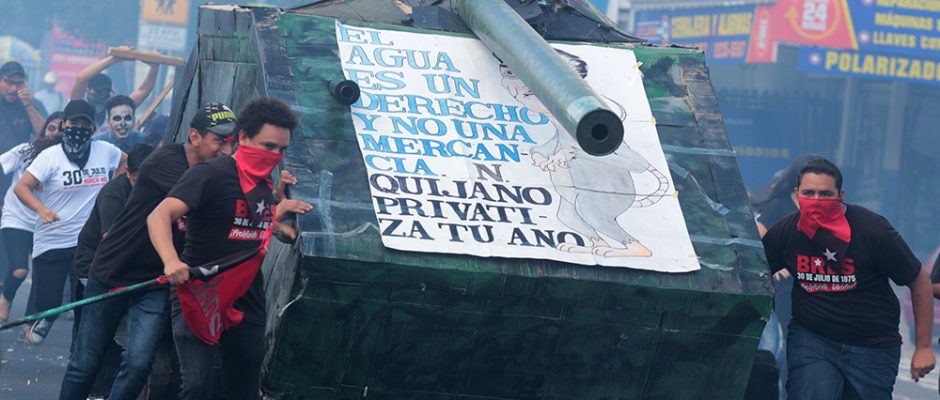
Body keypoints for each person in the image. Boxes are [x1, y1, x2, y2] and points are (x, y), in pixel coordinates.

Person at [59, 103, 237, 400]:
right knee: (85, 363)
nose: (227, 151)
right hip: (112, 273)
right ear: (195, 137)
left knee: (139, 364)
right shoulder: (166, 162)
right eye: (220, 141)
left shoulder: (215, 173)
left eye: (232, 143)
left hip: (155, 283)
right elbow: (216, 201)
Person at [148, 97, 311, 400]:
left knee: (245, 384)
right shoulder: (209, 174)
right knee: (197, 385)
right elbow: (159, 216)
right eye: (268, 146)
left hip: (246, 294)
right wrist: (170, 261)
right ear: (243, 138)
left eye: (281, 150)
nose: (275, 156)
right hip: (199, 289)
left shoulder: (264, 185)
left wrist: (282, 216)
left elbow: (255, 227)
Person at [762, 158, 935, 399]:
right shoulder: (785, 232)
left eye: (826, 194)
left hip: (872, 346)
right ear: (797, 194)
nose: (816, 200)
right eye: (809, 193)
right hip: (813, 341)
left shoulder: (872, 230)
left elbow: (919, 280)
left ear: (840, 195)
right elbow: (756, 273)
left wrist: (923, 347)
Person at [13, 99, 126, 344]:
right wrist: (41, 209)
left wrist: (113, 190)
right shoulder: (50, 157)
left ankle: (81, 346)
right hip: (52, 239)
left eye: (85, 125)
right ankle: (46, 317)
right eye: (75, 124)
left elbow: (125, 162)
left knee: (85, 303)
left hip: (88, 242)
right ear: (64, 124)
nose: (80, 129)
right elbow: (21, 187)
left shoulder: (105, 150)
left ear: (93, 128)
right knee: (48, 301)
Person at [751, 154, 823, 400]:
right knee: (775, 350)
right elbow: (755, 241)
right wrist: (774, 263)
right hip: (776, 295)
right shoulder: (778, 207)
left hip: (806, 297)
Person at [0, 111, 64, 323]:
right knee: (19, 270)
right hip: (16, 218)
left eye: (60, 130)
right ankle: (6, 298)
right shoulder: (25, 150)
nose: (54, 133)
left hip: (46, 224)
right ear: (44, 129)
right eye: (51, 127)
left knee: (42, 277)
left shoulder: (65, 160)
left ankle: (30, 322)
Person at [70, 46, 159, 125]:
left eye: (106, 92)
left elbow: (142, 91)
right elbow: (80, 79)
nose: (103, 95)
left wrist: (154, 67)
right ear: (87, 90)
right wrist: (114, 59)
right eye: (99, 92)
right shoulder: (78, 105)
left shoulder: (112, 110)